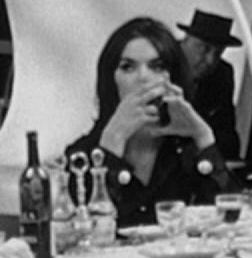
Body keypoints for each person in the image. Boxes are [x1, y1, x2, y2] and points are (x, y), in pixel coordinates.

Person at [64, 16, 230, 226]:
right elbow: (85, 230)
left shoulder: (186, 153)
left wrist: (203, 135)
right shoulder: (81, 157)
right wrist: (112, 144)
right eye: (128, 67)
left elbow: (231, 218)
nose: (143, 77)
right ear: (111, 80)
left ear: (173, 79)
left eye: (157, 66)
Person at [173, 9, 244, 171]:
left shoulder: (222, 74)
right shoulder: (159, 64)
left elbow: (227, 133)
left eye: (218, 53)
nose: (211, 60)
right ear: (186, 40)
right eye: (204, 49)